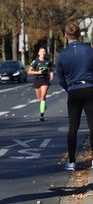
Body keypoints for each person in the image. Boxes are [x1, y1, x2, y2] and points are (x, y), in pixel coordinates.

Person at [56, 22, 93, 171]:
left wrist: (69, 88)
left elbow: (60, 79)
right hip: (90, 88)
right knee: (92, 125)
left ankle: (71, 161)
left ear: (65, 36)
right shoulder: (89, 50)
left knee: (73, 126)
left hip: (74, 91)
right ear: (79, 35)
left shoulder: (62, 54)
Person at [28, 47, 54, 121]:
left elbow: (51, 70)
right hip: (37, 80)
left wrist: (51, 74)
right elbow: (29, 71)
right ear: (39, 53)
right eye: (42, 52)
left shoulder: (48, 61)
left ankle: (42, 115)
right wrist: (37, 72)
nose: (43, 53)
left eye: (44, 52)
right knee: (39, 99)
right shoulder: (35, 61)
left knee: (43, 96)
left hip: (45, 80)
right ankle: (43, 105)